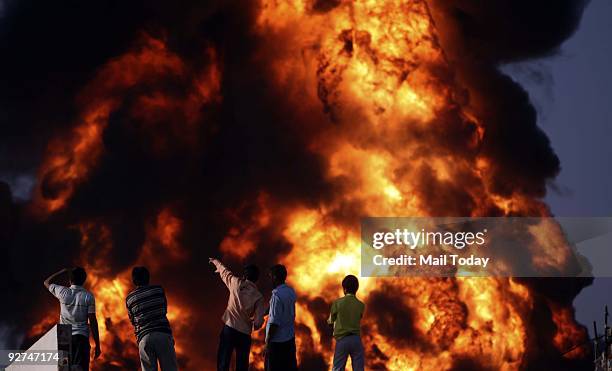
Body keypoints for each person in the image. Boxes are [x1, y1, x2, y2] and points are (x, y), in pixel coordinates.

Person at [209, 258, 266, 371]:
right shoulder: (259, 297)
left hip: (229, 329)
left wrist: (216, 262)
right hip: (244, 334)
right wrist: (252, 325)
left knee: (223, 362)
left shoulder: (236, 283)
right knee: (242, 366)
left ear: (244, 275)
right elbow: (259, 322)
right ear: (257, 279)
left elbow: (225, 272)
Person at [44, 267, 101, 371]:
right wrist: (97, 344)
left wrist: (61, 272)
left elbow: (46, 282)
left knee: (63, 368)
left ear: (70, 279)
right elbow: (92, 321)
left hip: (63, 338)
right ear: (84, 280)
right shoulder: (88, 296)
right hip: (81, 338)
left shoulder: (62, 292)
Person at [126, 266, 179, 371]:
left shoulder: (129, 298)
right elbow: (164, 310)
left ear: (134, 280)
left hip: (144, 338)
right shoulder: (158, 290)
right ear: (148, 278)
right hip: (162, 335)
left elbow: (132, 321)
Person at [328, 275, 365, 371]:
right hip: (356, 340)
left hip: (342, 340)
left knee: (338, 368)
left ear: (344, 289)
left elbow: (331, 320)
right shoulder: (361, 305)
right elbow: (359, 317)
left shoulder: (337, 303)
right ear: (356, 289)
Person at [265, 264, 297, 371]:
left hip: (277, 343)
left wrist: (267, 344)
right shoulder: (290, 291)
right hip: (290, 339)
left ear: (274, 277)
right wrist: (262, 313)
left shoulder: (276, 295)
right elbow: (274, 308)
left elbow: (274, 323)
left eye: (270, 277)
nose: (270, 280)